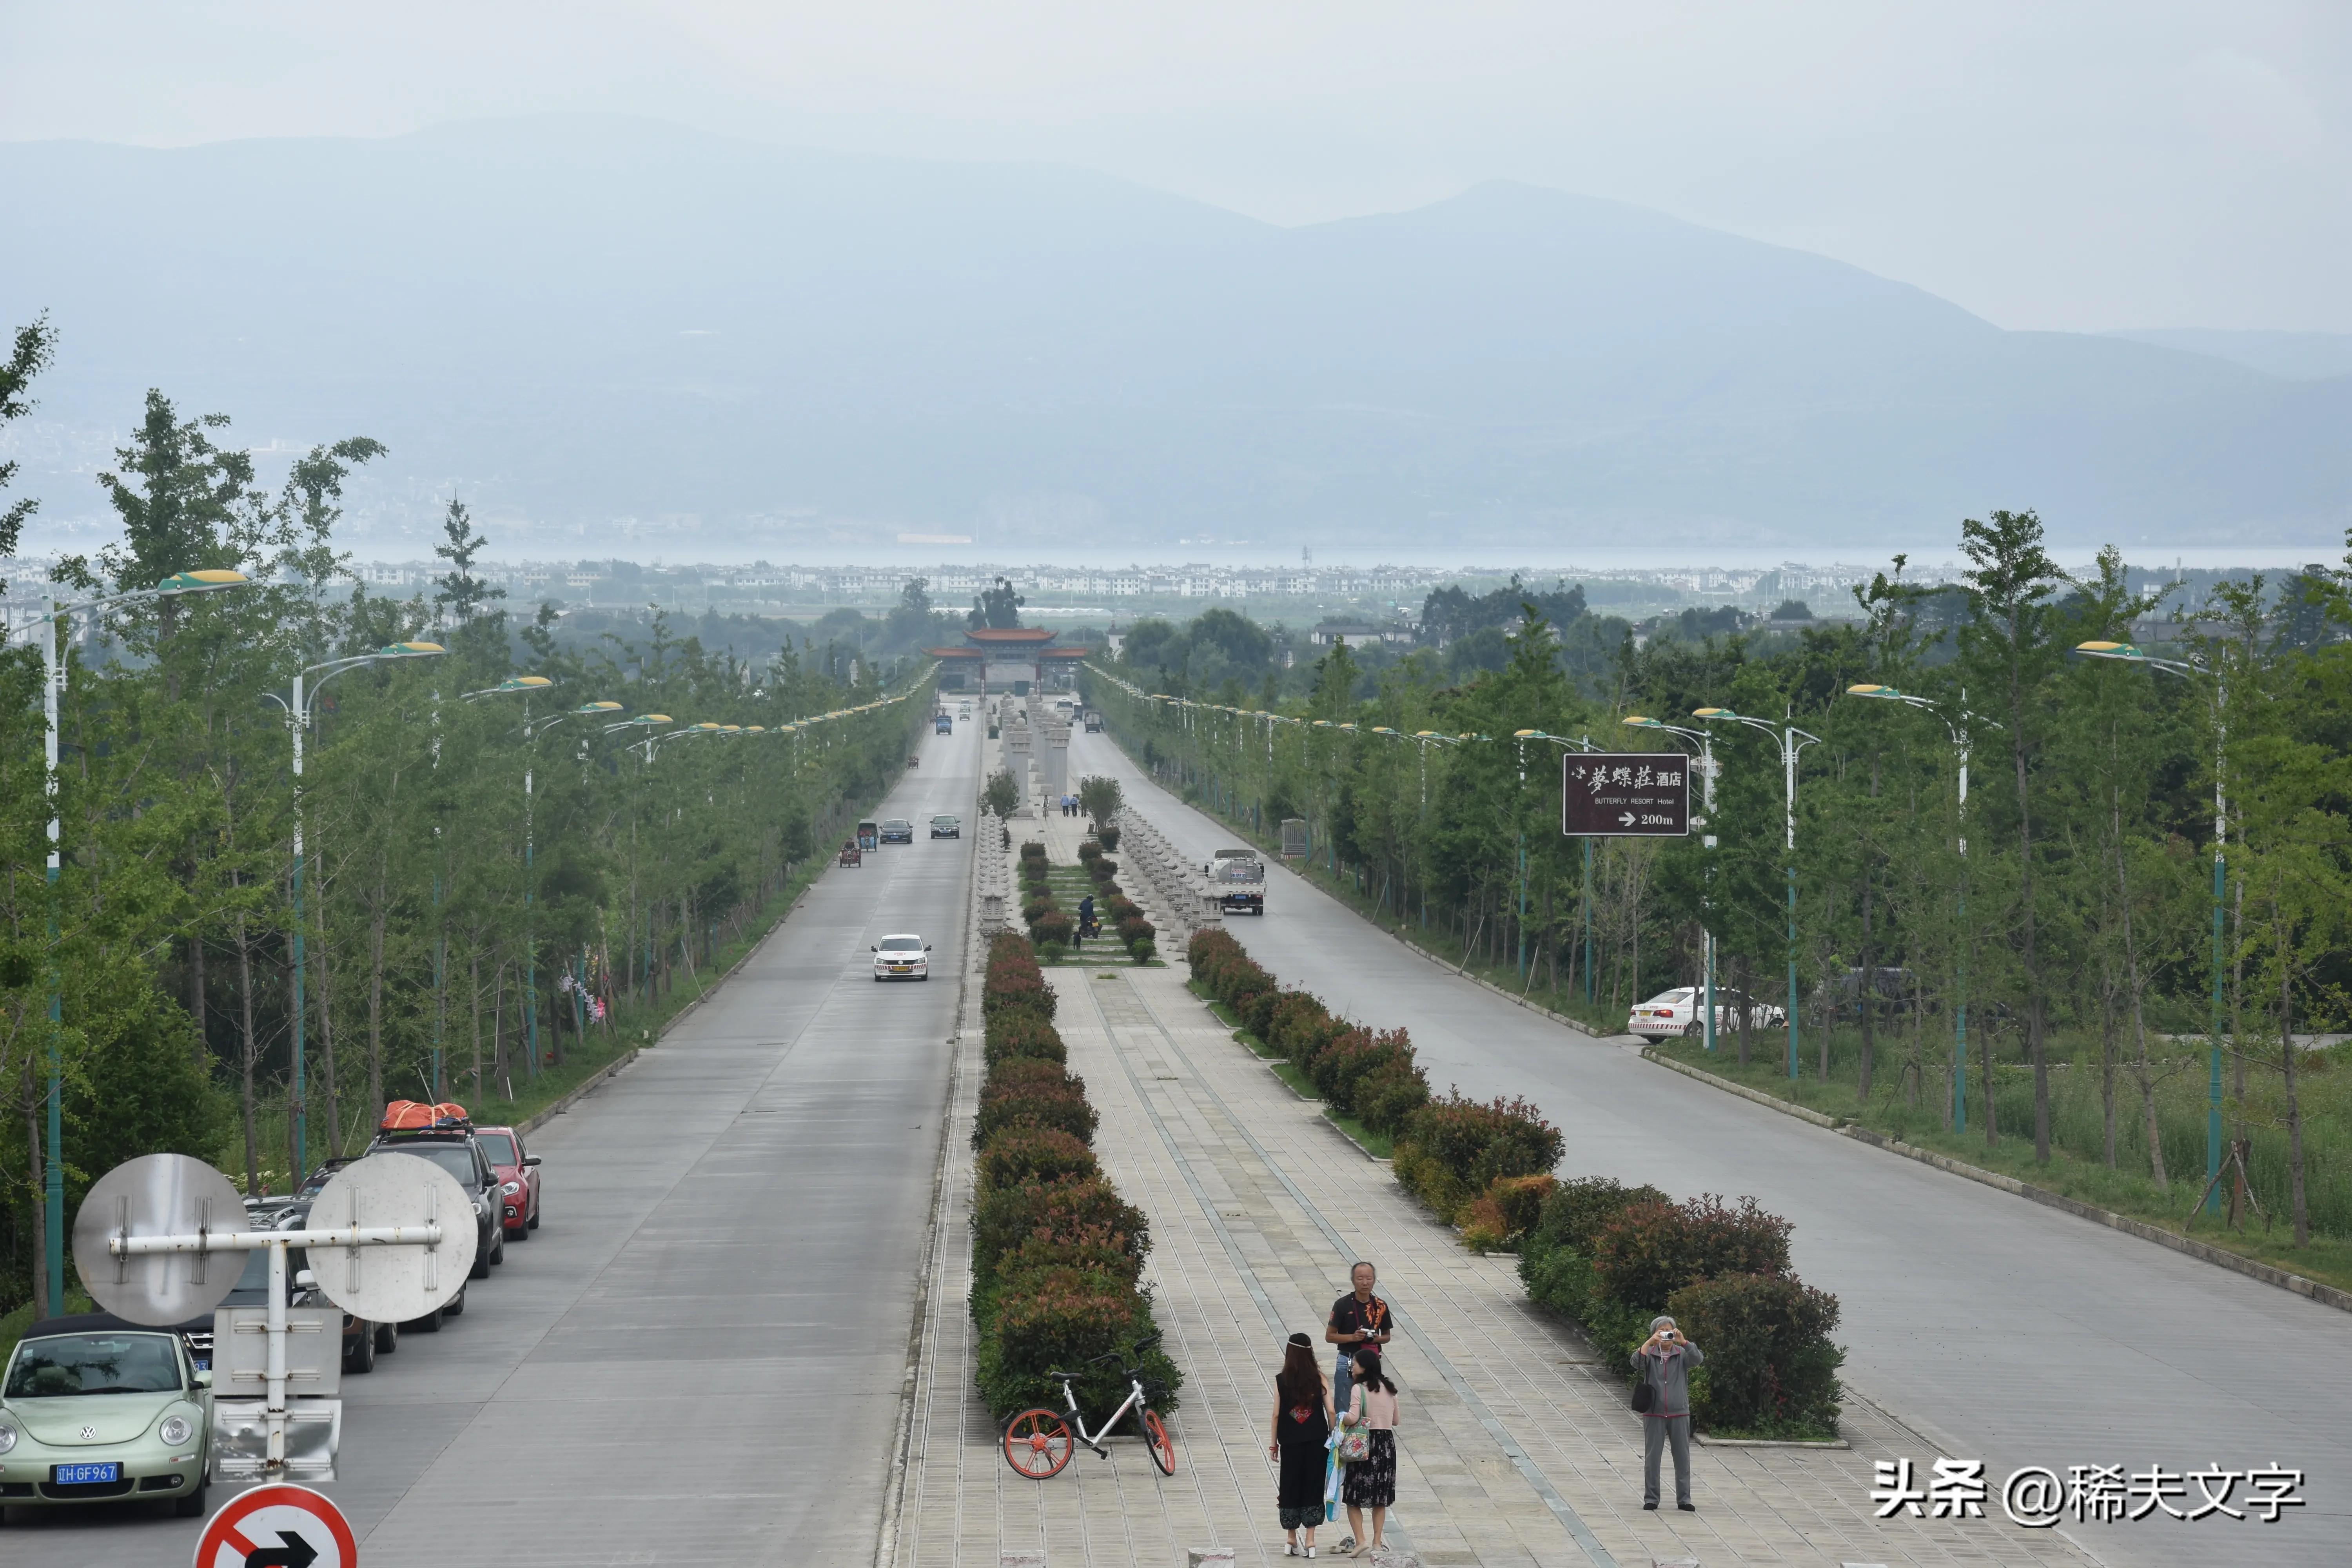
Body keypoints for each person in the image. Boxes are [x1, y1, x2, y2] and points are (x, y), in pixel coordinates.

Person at [1632, 1314, 1704, 1512]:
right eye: (1661, 1330)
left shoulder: (1681, 1354)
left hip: (1679, 1412)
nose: (1666, 1334)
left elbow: (1698, 1359)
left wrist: (1685, 1342)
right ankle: (1651, 1498)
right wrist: (1649, 1342)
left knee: (1682, 1458)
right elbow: (1635, 1362)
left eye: (1669, 1330)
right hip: (1654, 1413)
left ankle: (1684, 1499)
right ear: (1656, 1333)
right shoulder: (1650, 1354)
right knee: (1652, 1458)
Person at [1268, 1332, 1331, 1557]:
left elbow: (1276, 1415)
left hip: (1290, 1442)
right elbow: (1331, 1411)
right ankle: (1311, 1542)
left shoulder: (1281, 1379)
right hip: (1317, 1441)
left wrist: (1274, 1444)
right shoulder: (1319, 1378)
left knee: (1290, 1484)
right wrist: (1334, 1437)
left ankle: (1291, 1538)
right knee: (1313, 1484)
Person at [1338, 1345, 1398, 1556]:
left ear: (1363, 1367)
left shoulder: (1359, 1388)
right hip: (1387, 1445)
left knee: (1353, 1496)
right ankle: (1377, 1543)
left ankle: (1361, 1540)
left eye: (1354, 1364)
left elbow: (1354, 1418)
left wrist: (1340, 1418)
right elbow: (1396, 1420)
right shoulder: (1390, 1388)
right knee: (1381, 1497)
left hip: (1364, 1444)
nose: (1352, 1367)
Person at [1325, 1261, 1390, 1419]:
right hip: (1347, 1360)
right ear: (1353, 1281)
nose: (1365, 1283)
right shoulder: (1342, 1305)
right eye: (1360, 1278)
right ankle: (1341, 1440)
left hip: (1371, 1362)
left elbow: (1387, 1336)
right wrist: (1353, 1338)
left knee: (1370, 1406)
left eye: (1369, 1278)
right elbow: (1330, 1336)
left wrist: (1376, 1339)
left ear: (1374, 1280)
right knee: (1344, 1407)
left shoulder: (1380, 1306)